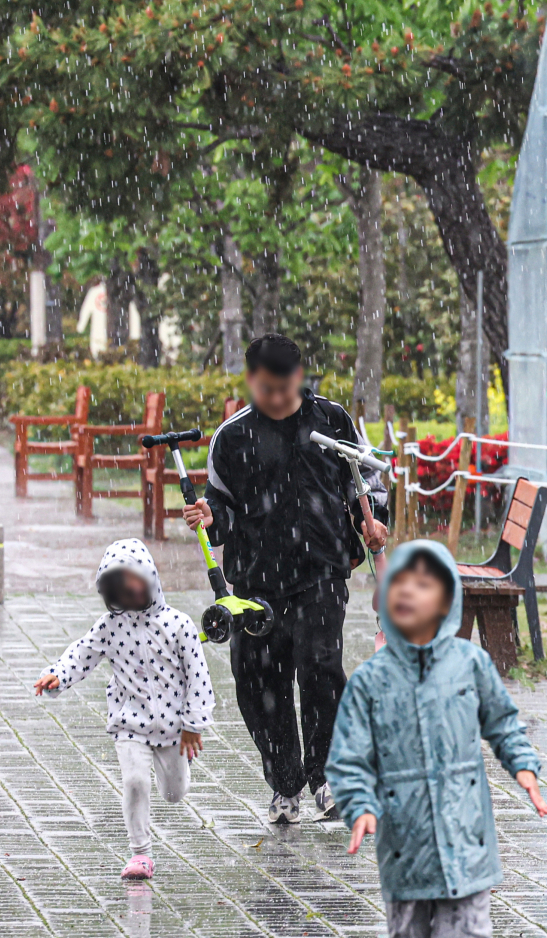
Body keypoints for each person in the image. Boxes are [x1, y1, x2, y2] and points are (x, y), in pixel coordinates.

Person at [182, 333, 388, 823]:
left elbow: (366, 481)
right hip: (256, 583)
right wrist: (213, 519)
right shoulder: (231, 437)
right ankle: (285, 784)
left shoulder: (331, 420)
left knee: (321, 669)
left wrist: (372, 519)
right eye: (265, 389)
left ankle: (327, 778)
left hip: (322, 569)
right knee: (259, 681)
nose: (276, 398)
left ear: (298, 378)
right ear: (252, 382)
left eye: (284, 388)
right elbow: (224, 505)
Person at [326, 541, 547, 938]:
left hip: (467, 841)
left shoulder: (470, 664)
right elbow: (348, 758)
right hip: (403, 845)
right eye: (400, 582)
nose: (408, 591)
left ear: (447, 602)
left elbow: (502, 722)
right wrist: (358, 805)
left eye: (423, 584)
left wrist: (523, 765)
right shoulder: (369, 682)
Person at [34, 538, 215, 880]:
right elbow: (82, 652)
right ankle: (140, 853)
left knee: (175, 793)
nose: (129, 592)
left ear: (150, 577)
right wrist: (57, 674)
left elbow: (199, 677)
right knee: (134, 781)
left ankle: (179, 771)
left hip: (174, 727)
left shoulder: (179, 625)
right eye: (119, 586)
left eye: (134, 581)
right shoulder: (110, 626)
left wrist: (194, 723)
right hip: (129, 722)